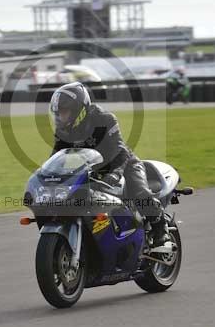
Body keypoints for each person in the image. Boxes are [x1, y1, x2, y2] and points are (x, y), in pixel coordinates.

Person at [48, 82, 168, 246]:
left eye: (65, 112)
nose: (61, 117)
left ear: (79, 110)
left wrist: (113, 174)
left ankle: (161, 226)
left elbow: (119, 151)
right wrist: (47, 176)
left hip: (124, 164)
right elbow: (56, 157)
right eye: (59, 113)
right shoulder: (63, 131)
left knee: (139, 192)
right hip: (91, 171)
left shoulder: (104, 119)